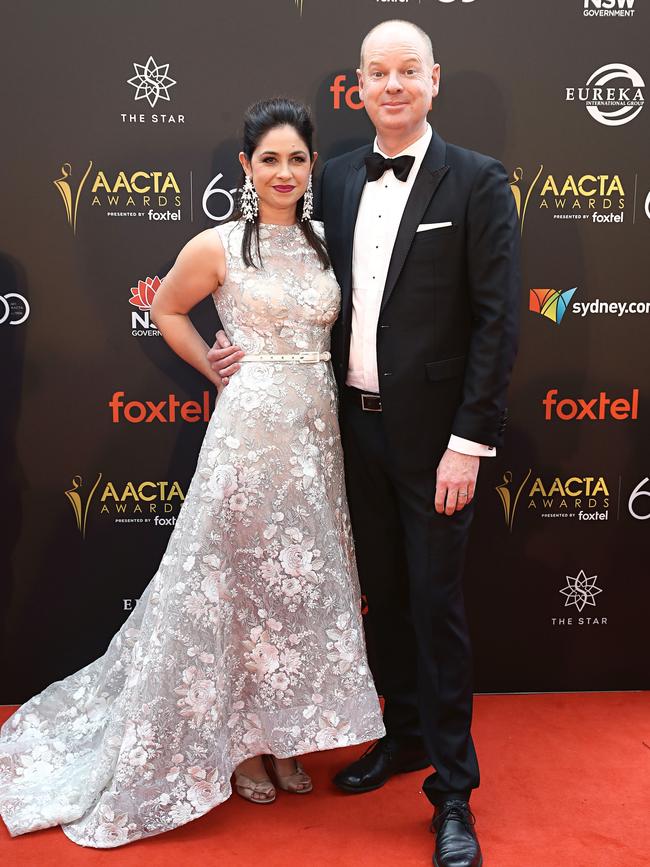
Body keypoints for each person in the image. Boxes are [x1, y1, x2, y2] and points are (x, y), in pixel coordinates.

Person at [0, 97, 384, 848]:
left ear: (313, 167)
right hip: (247, 437)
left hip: (314, 439)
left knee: (300, 587)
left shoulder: (327, 244)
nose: (283, 172)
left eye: (296, 159)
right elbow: (169, 309)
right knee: (235, 586)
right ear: (246, 166)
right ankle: (237, 744)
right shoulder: (218, 245)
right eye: (268, 159)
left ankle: (284, 734)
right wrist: (211, 361)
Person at [209, 21, 520, 867]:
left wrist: (469, 442)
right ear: (358, 84)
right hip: (347, 434)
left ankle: (453, 794)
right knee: (379, 596)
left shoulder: (480, 182)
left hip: (438, 446)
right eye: (378, 72)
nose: (392, 85)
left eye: (407, 71)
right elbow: (279, 277)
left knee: (437, 605)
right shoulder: (335, 179)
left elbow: (498, 322)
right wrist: (226, 339)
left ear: (433, 80)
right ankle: (405, 735)